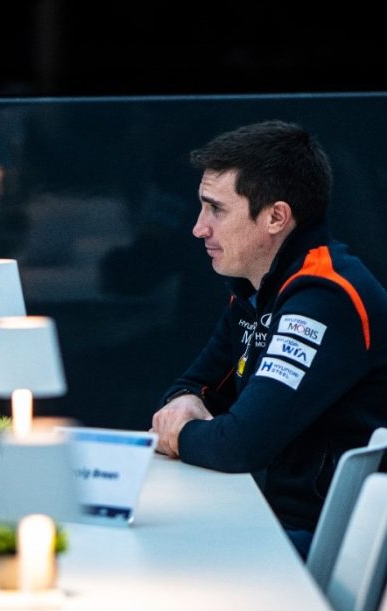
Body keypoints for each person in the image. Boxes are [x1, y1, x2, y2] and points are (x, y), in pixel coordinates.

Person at [151, 120, 387, 559]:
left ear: (276, 217)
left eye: (216, 210)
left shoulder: (325, 298)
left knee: (161, 558)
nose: (199, 228)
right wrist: (184, 407)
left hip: (325, 541)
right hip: (270, 517)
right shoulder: (256, 290)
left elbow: (240, 446)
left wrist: (180, 432)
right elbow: (192, 387)